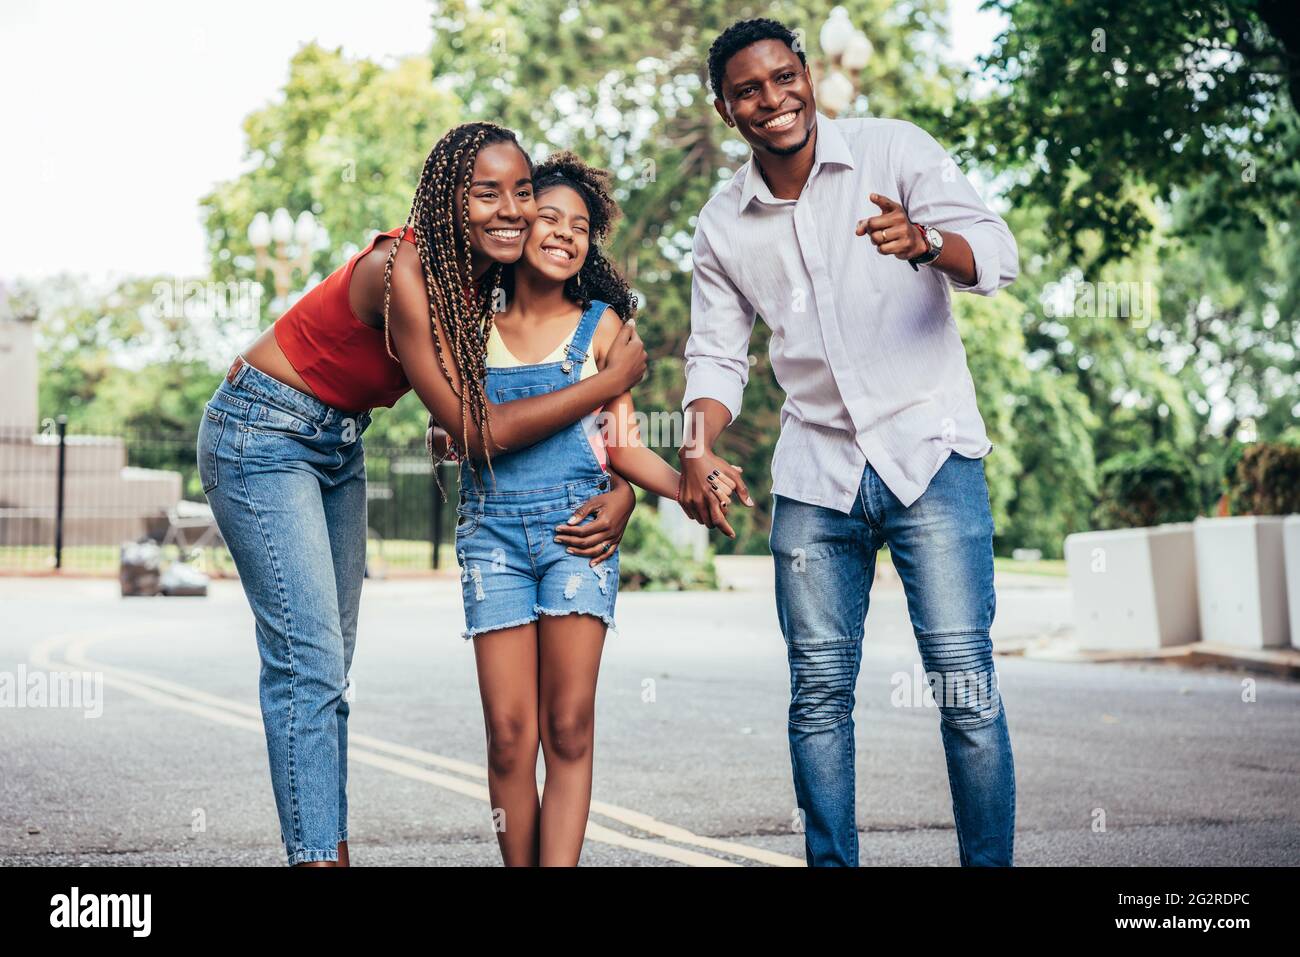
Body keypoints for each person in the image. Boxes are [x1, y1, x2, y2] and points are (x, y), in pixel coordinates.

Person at [197, 121, 648, 867]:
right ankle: (318, 857)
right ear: (448, 199)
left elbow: (507, 398)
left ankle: (322, 844)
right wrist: (608, 382)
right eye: (485, 193)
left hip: (337, 441)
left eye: (522, 192)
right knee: (306, 664)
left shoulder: (484, 283)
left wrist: (624, 488)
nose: (510, 209)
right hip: (262, 433)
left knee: (329, 667)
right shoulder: (404, 267)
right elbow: (479, 432)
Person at [677, 18, 1020, 866]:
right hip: (817, 472)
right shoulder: (723, 224)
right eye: (749, 89)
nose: (774, 99)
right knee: (819, 696)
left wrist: (931, 243)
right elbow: (718, 356)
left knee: (966, 689)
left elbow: (1001, 255)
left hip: (928, 454)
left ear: (808, 76)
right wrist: (696, 444)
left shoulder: (893, 149)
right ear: (726, 109)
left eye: (785, 76)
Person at [452, 151, 733, 866]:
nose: (564, 233)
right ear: (517, 228)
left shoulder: (605, 329)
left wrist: (684, 485)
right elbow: (463, 430)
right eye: (549, 217)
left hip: (577, 536)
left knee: (568, 726)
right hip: (492, 540)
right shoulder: (469, 324)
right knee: (509, 735)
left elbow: (623, 446)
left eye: (579, 226)